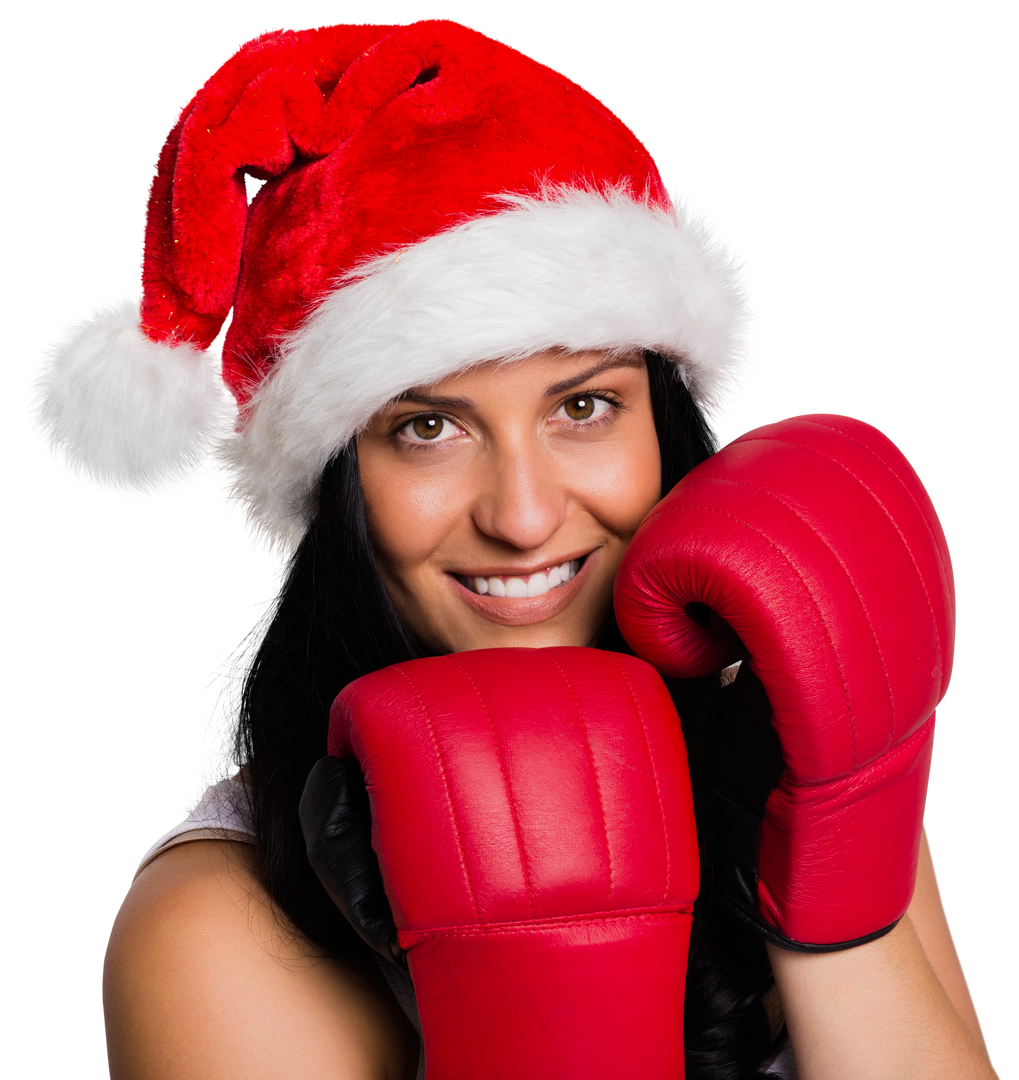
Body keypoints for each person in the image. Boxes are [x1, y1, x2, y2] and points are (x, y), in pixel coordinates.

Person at [17, 17, 998, 1080]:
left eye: (582, 405)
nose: (523, 515)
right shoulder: (220, 931)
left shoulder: (791, 737)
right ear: (333, 489)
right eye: (424, 428)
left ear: (664, 424)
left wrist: (823, 885)